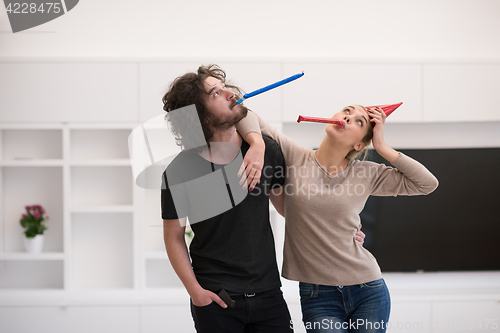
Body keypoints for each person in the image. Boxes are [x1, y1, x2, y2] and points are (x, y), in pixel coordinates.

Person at [161, 65, 368, 332]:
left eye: (224, 86)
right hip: (216, 298)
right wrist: (196, 293)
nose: (229, 93)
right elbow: (173, 236)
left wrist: (340, 229)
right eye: (215, 93)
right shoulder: (179, 172)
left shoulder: (267, 150)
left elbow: (290, 210)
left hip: (268, 293)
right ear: (202, 117)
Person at [236, 105, 439, 332]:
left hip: (367, 289)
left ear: (359, 145)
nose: (348, 117)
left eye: (359, 121)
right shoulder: (295, 156)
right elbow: (244, 114)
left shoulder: (366, 173)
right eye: (346, 111)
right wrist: (256, 142)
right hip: (317, 294)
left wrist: (381, 146)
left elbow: (427, 183)